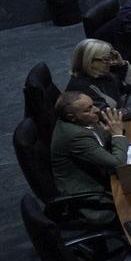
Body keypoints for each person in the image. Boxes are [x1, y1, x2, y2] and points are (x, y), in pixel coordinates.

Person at [50, 93, 124, 225]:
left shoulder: (83, 121)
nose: (95, 109)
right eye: (88, 109)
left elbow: (99, 141)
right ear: (71, 117)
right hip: (94, 199)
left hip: (101, 177)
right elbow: (118, 163)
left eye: (93, 105)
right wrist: (118, 135)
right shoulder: (74, 136)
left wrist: (110, 133)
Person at [66, 37, 131, 117]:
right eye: (106, 59)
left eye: (110, 58)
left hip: (125, 109)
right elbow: (107, 114)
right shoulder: (81, 88)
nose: (111, 63)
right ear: (90, 61)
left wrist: (122, 64)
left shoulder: (102, 73)